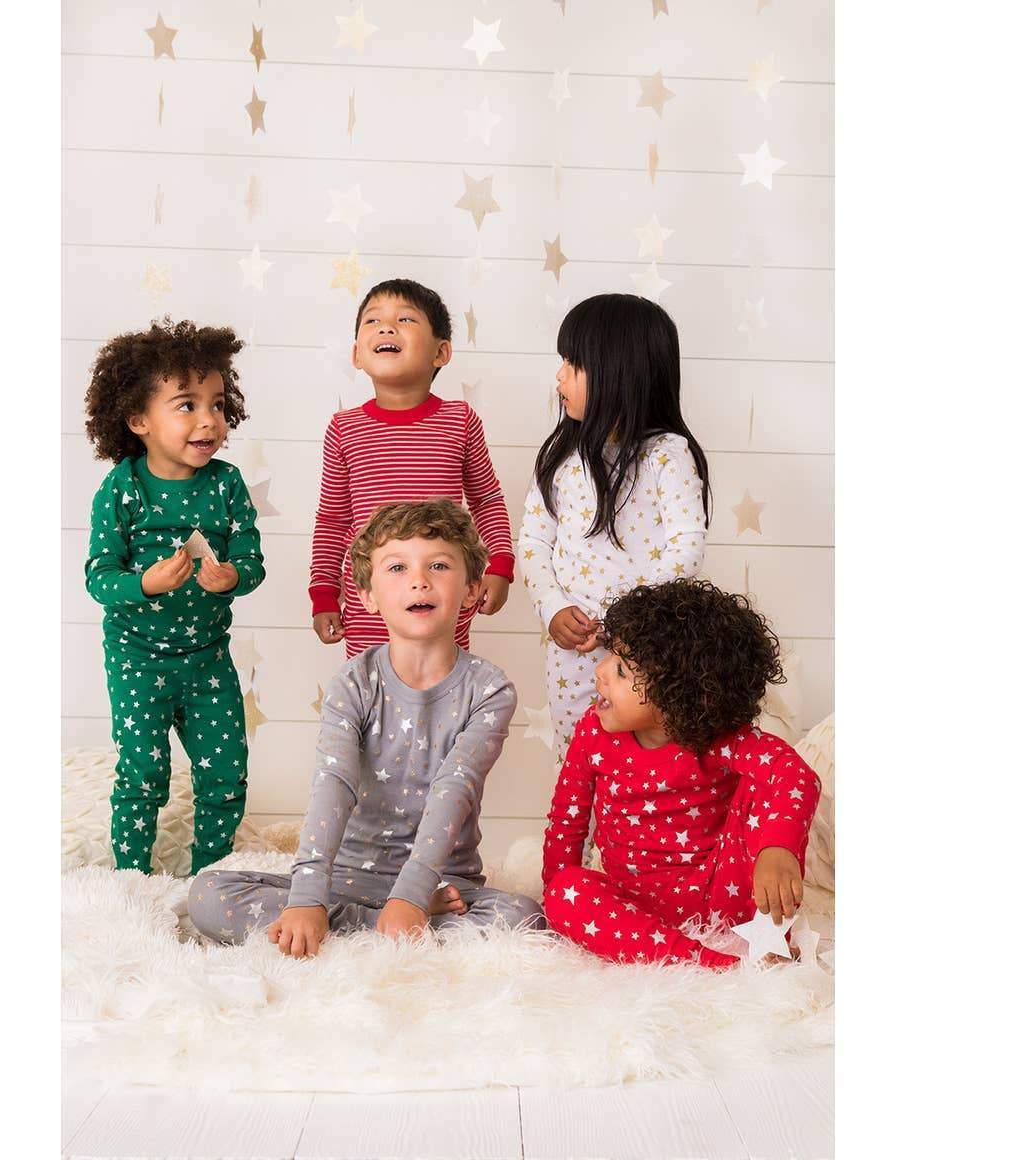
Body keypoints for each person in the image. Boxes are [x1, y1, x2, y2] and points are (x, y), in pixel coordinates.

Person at [191, 499, 544, 955]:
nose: (419, 579)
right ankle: (378, 924)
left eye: (438, 565)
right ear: (368, 596)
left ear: (472, 589)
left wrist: (412, 894)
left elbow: (455, 789)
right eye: (397, 567)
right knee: (207, 894)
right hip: (348, 878)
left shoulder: (490, 689)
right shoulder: (353, 683)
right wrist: (307, 898)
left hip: (441, 880)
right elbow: (333, 783)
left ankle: (387, 919)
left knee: (522, 917)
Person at [540, 578, 821, 966]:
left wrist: (778, 847)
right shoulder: (593, 731)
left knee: (763, 787)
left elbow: (796, 776)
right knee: (565, 891)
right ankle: (709, 964)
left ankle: (768, 937)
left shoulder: (716, 741)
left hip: (723, 899)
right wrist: (556, 900)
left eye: (621, 670)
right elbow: (567, 821)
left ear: (676, 696)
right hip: (630, 907)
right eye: (610, 657)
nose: (601, 671)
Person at [83, 318, 265, 873]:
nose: (209, 419)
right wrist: (145, 584)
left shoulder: (227, 484)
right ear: (138, 419)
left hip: (208, 658)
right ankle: (131, 879)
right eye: (187, 405)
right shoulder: (122, 488)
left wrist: (232, 577)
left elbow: (252, 561)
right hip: (138, 660)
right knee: (143, 773)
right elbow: (99, 579)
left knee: (226, 772)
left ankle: (211, 874)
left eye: (217, 404)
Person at [518, 293, 710, 768]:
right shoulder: (560, 457)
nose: (559, 376)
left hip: (641, 654)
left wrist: (620, 623)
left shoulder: (667, 455)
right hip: (571, 654)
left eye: (573, 363)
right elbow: (534, 541)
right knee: (577, 768)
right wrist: (552, 607)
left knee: (645, 770)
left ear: (619, 371)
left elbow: (685, 550)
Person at [310, 278, 515, 657]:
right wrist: (324, 592)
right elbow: (333, 519)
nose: (386, 328)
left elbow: (486, 500)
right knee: (372, 690)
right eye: (373, 321)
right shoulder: (344, 429)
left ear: (441, 352)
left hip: (442, 594)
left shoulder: (460, 420)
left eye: (405, 319)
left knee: (446, 684)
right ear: (356, 354)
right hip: (370, 599)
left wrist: (500, 564)